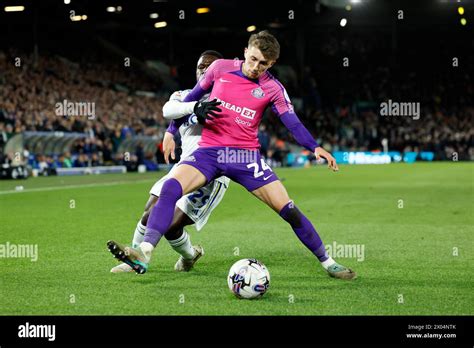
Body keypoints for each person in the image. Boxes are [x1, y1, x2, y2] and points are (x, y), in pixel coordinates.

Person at [116, 31, 356, 280]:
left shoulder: (273, 88)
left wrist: (314, 146)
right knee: (170, 189)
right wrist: (170, 131)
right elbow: (190, 99)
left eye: (263, 64)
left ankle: (329, 263)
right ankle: (145, 251)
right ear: (245, 51)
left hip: (244, 157)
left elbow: (292, 123)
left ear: (271, 63)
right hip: (208, 152)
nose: (255, 67)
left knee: (289, 210)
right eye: (252, 59)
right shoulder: (220, 68)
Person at [108, 50, 230, 273]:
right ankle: (134, 257)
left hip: (211, 174)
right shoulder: (183, 94)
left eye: (210, 67)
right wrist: (173, 128)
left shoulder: (227, 99)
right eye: (201, 67)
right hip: (183, 166)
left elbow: (206, 117)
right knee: (150, 210)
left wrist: (179, 124)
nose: (204, 70)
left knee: (172, 225)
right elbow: (169, 110)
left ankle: (190, 255)